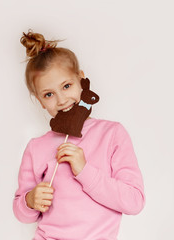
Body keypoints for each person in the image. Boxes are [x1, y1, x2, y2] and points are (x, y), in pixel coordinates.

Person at [13, 29, 145, 240]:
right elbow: (22, 213)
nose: (62, 100)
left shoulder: (112, 135)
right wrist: (30, 200)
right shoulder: (35, 147)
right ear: (39, 100)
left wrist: (84, 171)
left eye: (67, 86)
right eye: (49, 94)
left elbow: (134, 201)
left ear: (81, 79)